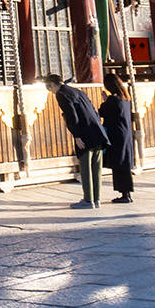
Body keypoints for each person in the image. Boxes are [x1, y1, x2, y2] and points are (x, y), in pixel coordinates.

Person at [45, 74, 108, 209]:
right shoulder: (77, 91)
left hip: (84, 133)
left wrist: (77, 135)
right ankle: (97, 199)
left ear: (52, 85)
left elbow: (71, 114)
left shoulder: (61, 94)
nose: (51, 92)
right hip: (97, 130)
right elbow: (93, 110)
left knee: (85, 167)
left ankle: (88, 199)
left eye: (50, 89)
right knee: (96, 167)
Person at [99, 73, 136, 203]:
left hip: (116, 134)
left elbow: (102, 112)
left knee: (119, 164)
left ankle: (125, 194)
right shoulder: (125, 98)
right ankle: (125, 193)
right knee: (122, 164)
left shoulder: (113, 100)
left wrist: (105, 100)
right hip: (124, 134)